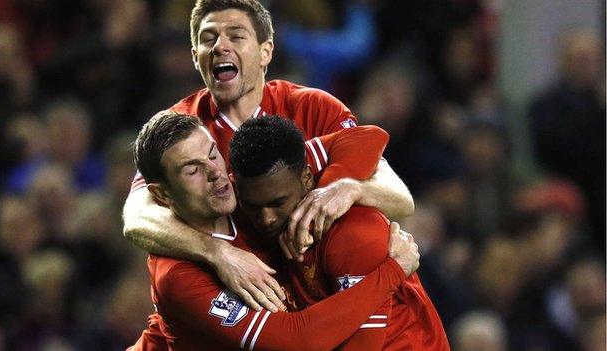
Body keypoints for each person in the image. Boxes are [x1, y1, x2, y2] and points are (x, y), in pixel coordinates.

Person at [123, 0, 415, 312]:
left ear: (266, 51)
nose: (220, 46)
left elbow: (400, 200)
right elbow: (137, 218)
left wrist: (352, 189)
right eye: (208, 39)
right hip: (247, 304)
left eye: (236, 36)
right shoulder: (182, 128)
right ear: (196, 57)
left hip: (323, 293)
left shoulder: (314, 107)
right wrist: (217, 253)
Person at [129, 112, 420, 350]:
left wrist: (333, 192)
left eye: (213, 155)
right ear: (163, 196)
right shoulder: (179, 275)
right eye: (192, 170)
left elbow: (366, 136)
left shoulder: (246, 195)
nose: (214, 172)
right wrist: (393, 271)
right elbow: (297, 338)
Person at [230, 116, 450, 350]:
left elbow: (371, 134)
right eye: (252, 206)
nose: (266, 219)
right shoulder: (251, 221)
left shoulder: (353, 233)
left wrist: (327, 201)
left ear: (306, 178)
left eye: (278, 203)